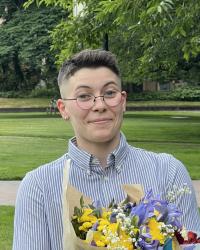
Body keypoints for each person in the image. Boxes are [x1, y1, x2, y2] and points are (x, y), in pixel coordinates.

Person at [13, 49, 200, 250]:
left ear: (123, 101)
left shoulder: (168, 171)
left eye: (109, 93)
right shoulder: (39, 186)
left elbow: (191, 243)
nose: (100, 105)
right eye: (84, 96)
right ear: (63, 108)